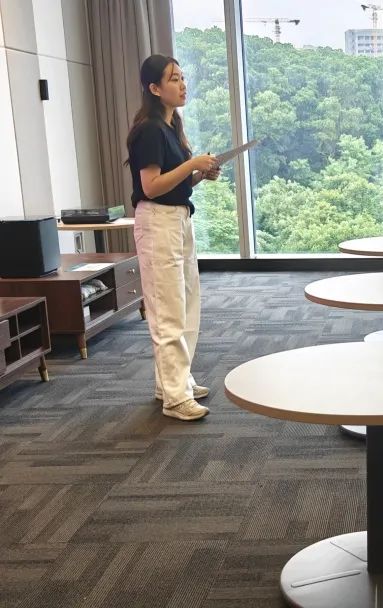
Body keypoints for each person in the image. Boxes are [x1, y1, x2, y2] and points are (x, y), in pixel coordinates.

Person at [126, 55, 220, 421]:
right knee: (167, 308)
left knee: (186, 303)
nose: (182, 85)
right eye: (174, 79)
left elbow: (175, 183)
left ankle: (173, 382)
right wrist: (192, 164)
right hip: (158, 221)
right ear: (154, 88)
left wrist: (199, 175)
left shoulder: (171, 125)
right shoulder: (149, 130)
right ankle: (175, 398)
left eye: (182, 77)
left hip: (178, 218)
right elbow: (151, 186)